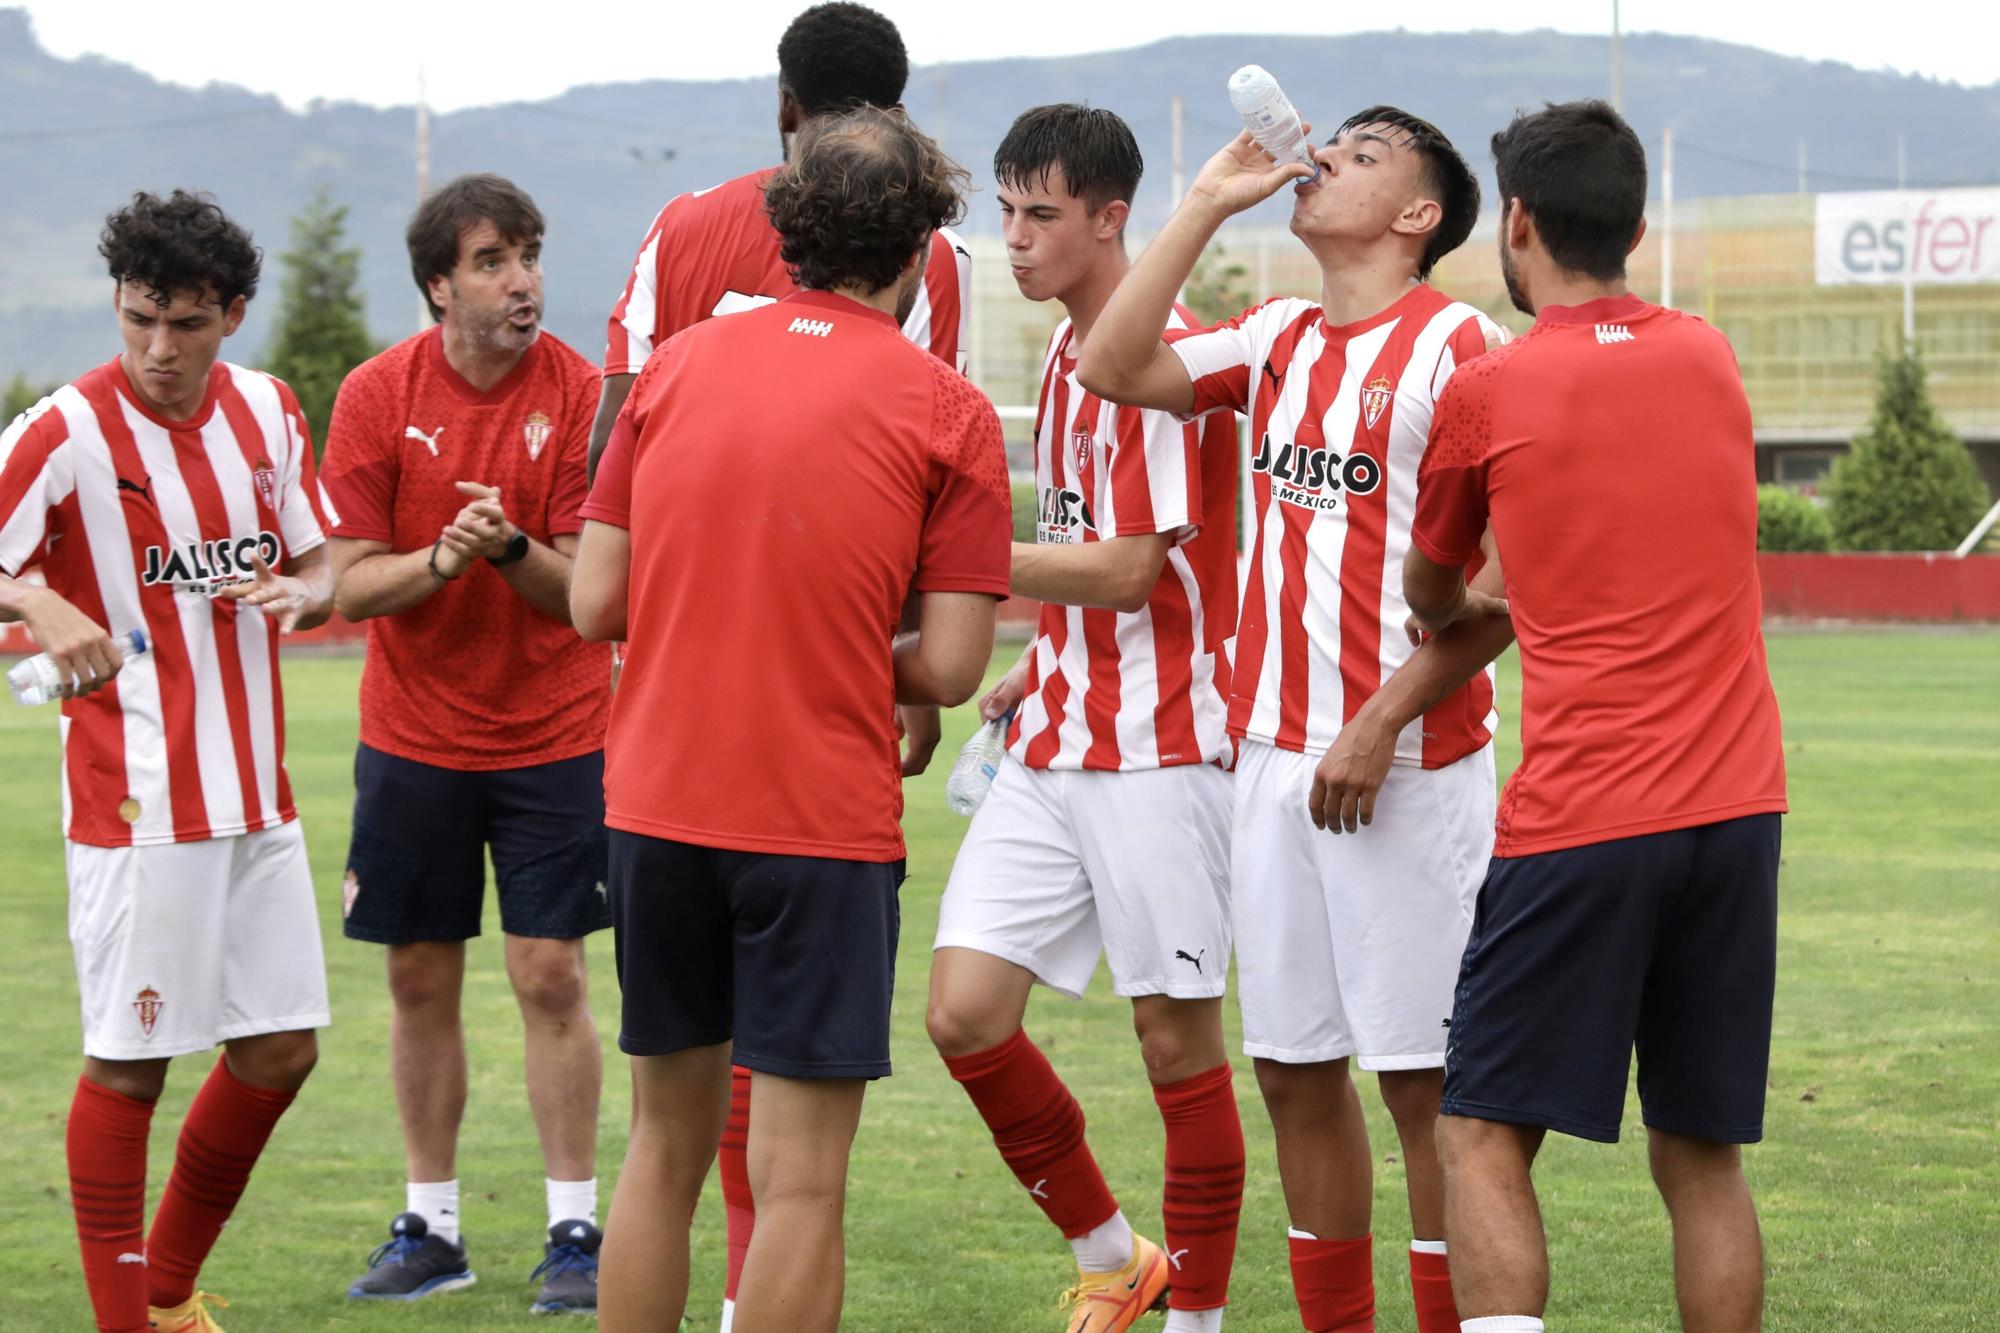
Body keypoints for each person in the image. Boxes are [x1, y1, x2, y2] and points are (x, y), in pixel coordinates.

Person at [569, 105, 1009, 1333]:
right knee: (801, 1185)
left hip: (656, 802)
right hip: (816, 818)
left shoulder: (668, 369)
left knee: (660, 1148)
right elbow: (958, 663)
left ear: (785, 229)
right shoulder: (948, 410)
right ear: (923, 246)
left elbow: (597, 599)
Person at [1080, 108, 1508, 1333]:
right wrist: (1207, 201)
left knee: (1421, 1086)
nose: (1327, 162)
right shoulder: (1272, 337)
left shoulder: (1462, 348)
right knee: (1293, 1071)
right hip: (1270, 764)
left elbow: (1505, 597)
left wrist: (1376, 722)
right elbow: (1115, 366)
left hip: (1406, 766)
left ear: (1418, 217)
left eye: (1365, 155)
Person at [1398, 100, 1787, 1333]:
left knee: (1476, 1134)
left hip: (1583, 814)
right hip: (1736, 810)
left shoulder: (1489, 385)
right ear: (1633, 222)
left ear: (1513, 222)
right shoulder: (1707, 355)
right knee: (1700, 1154)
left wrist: (1452, 598)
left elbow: (1428, 585)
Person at [924, 104, 1242, 1333]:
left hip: (1166, 745)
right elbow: (1082, 570)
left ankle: (1193, 1320)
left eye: (1039, 215)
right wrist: (1031, 659)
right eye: (1003, 211)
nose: (1010, 238)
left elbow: (1125, 569)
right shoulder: (1065, 352)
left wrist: (963, 560)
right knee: (961, 1010)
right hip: (1059, 733)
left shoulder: (1164, 353)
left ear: (1114, 219)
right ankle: (1117, 1258)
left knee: (1174, 1044)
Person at [0, 190, 333, 1333]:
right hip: (137, 806)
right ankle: (125, 1322)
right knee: (132, 1067)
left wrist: (306, 588)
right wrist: (34, 592)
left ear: (233, 314)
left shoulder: (271, 413)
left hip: (257, 799)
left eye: (185, 323)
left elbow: (320, 557)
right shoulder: (61, 431)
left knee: (282, 1050)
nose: (156, 348)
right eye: (139, 317)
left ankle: (168, 1290)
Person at [318, 174, 611, 1315]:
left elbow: (588, 590)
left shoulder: (584, 392)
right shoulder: (374, 394)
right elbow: (350, 585)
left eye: (528, 254)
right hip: (414, 736)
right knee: (416, 974)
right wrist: (441, 557)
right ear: (439, 282)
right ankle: (431, 1227)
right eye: (492, 259)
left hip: (555, 730)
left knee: (549, 972)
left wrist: (504, 549)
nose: (521, 278)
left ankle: (573, 1230)